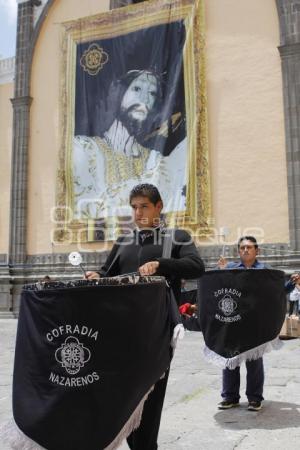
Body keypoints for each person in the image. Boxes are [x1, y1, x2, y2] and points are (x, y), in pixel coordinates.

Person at [85, 183, 205, 450]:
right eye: (134, 207)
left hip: (156, 330)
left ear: (159, 206)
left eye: (144, 206)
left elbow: (197, 267)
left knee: (150, 397)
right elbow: (107, 273)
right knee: (124, 396)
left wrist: (162, 265)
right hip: (119, 330)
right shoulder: (123, 241)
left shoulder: (177, 237)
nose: (138, 213)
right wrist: (97, 277)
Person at [73, 70, 187, 219]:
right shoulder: (83, 148)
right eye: (137, 88)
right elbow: (85, 210)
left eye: (152, 93)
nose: (145, 99)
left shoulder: (155, 159)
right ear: (118, 94)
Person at [217, 236, 299, 412]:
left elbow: (278, 291)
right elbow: (220, 289)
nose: (245, 250)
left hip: (255, 323)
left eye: (249, 247)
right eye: (242, 248)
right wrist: (221, 273)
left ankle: (254, 399)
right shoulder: (231, 268)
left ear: (257, 251)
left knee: (254, 361)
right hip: (233, 322)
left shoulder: (265, 270)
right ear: (239, 251)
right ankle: (230, 397)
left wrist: (292, 283)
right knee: (230, 360)